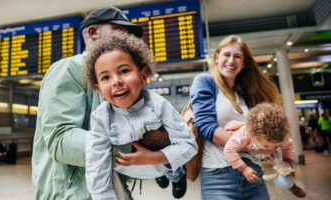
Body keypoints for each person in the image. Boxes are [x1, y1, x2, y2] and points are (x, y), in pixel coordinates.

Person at [31, 6, 168, 199]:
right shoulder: (69, 69)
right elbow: (61, 141)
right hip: (72, 193)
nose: (125, 41)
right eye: (119, 32)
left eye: (129, 37)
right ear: (93, 32)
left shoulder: (117, 82)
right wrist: (132, 145)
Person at [84, 32, 197, 199]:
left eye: (124, 70)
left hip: (164, 163)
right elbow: (96, 166)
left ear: (143, 76)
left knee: (170, 164)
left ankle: (176, 175)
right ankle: (161, 173)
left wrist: (153, 158)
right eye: (106, 77)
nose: (116, 81)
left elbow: (189, 145)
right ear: (99, 89)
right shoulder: (101, 117)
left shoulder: (158, 105)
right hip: (133, 172)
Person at [190, 35, 281, 199]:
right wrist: (253, 147)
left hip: (253, 174)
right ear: (217, 57)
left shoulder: (242, 94)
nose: (231, 61)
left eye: (237, 56)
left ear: (244, 63)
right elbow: (205, 127)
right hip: (219, 177)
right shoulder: (205, 82)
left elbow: (253, 133)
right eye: (226, 54)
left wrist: (266, 149)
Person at [224, 103, 306, 198]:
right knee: (246, 163)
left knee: (284, 165)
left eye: (275, 145)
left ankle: (290, 183)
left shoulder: (282, 136)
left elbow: (288, 147)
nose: (271, 147)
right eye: (267, 145)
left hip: (266, 153)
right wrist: (243, 168)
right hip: (247, 151)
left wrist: (287, 163)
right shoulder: (244, 134)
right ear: (253, 134)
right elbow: (229, 149)